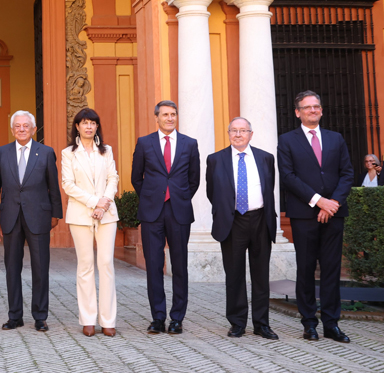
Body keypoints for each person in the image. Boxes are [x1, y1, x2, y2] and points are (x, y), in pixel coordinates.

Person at [278, 90, 354, 343]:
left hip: (334, 213)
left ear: (321, 110)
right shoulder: (287, 140)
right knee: (306, 269)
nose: (313, 110)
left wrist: (332, 203)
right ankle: (309, 323)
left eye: (317, 106)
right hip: (304, 215)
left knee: (331, 270)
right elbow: (288, 177)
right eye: (307, 107)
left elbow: (347, 174)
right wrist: (318, 201)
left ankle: (331, 324)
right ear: (298, 112)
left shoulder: (336, 138)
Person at [130, 100, 200, 335]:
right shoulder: (144, 143)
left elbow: (194, 179)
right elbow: (136, 178)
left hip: (178, 211)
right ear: (156, 117)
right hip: (152, 213)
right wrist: (152, 197)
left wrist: (179, 197)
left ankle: (177, 318)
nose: (170, 118)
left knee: (180, 266)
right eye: (165, 114)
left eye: (173, 114)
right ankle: (158, 317)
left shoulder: (190, 144)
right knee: (153, 266)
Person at [206, 117, 278, 340]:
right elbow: (212, 192)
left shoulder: (266, 158)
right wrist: (226, 210)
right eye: (234, 131)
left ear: (251, 134)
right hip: (232, 221)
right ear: (228, 133)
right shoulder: (215, 159)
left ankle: (261, 324)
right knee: (234, 274)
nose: (238, 134)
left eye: (243, 130)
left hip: (260, 220)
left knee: (260, 274)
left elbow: (269, 188)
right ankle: (237, 323)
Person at [0, 111, 63, 332]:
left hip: (39, 217)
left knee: (40, 268)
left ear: (33, 129)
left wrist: (56, 214)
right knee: (12, 268)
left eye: (26, 126)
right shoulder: (2, 153)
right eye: (17, 126)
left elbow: (53, 186)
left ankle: (40, 316)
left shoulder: (46, 152)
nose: (21, 129)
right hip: (10, 217)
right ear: (12, 130)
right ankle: (15, 316)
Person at [61, 108, 119, 337]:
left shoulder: (107, 151)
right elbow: (68, 185)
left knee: (106, 264)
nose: (88, 126)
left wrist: (104, 204)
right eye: (84, 123)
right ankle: (87, 318)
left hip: (107, 214)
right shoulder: (68, 153)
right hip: (80, 214)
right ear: (77, 126)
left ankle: (108, 320)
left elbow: (113, 178)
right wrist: (96, 202)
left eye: (92, 123)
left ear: (97, 127)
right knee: (85, 265)